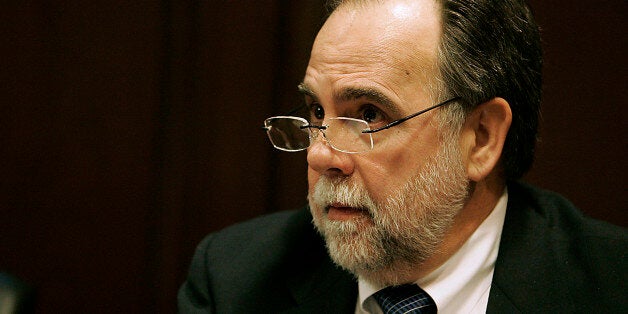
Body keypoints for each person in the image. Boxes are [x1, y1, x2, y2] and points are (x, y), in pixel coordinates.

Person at [178, 0, 627, 312]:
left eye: (368, 115)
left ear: (482, 138)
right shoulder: (237, 281)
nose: (319, 154)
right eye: (318, 111)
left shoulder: (610, 286)